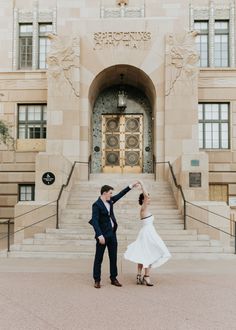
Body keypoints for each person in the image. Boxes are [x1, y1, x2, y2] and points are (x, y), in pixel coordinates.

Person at [90, 181, 138, 289]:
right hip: (102, 236)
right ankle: (97, 280)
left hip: (112, 234)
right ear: (104, 193)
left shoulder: (110, 201)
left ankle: (113, 278)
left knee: (113, 257)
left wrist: (131, 186)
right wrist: (99, 235)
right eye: (110, 193)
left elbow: (121, 194)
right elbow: (95, 221)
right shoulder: (96, 205)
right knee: (99, 258)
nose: (112, 195)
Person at [124, 180, 171, 286]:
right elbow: (145, 195)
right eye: (147, 198)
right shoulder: (143, 209)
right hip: (147, 234)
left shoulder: (145, 209)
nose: (149, 199)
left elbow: (146, 196)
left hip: (149, 232)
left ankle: (139, 276)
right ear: (143, 199)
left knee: (143, 254)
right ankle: (146, 277)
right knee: (149, 253)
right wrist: (142, 184)